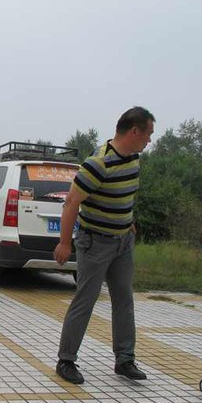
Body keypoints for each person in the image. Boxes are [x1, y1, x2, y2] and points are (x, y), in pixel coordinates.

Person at [54, 106, 155, 384]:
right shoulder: (98, 164)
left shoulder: (134, 158)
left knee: (124, 300)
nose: (149, 140)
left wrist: (127, 221)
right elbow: (71, 202)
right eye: (148, 134)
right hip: (95, 242)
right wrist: (64, 243)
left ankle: (125, 360)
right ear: (134, 131)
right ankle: (66, 360)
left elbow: (125, 195)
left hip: (123, 242)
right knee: (85, 299)